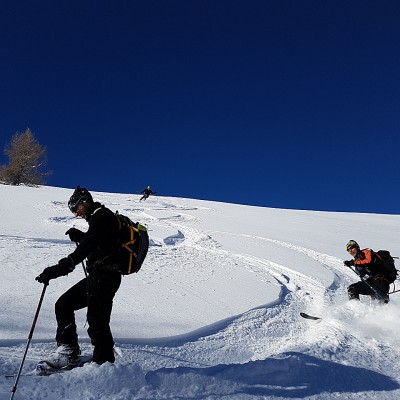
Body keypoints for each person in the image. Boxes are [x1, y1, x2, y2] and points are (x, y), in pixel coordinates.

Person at [36, 186, 122, 368]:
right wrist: (82, 236)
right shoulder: (99, 219)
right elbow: (100, 242)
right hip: (98, 275)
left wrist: (58, 269)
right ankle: (69, 352)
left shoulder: (102, 215)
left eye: (75, 208)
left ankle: (104, 364)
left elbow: (88, 246)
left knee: (97, 319)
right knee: (64, 304)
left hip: (106, 275)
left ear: (84, 202)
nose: (75, 213)